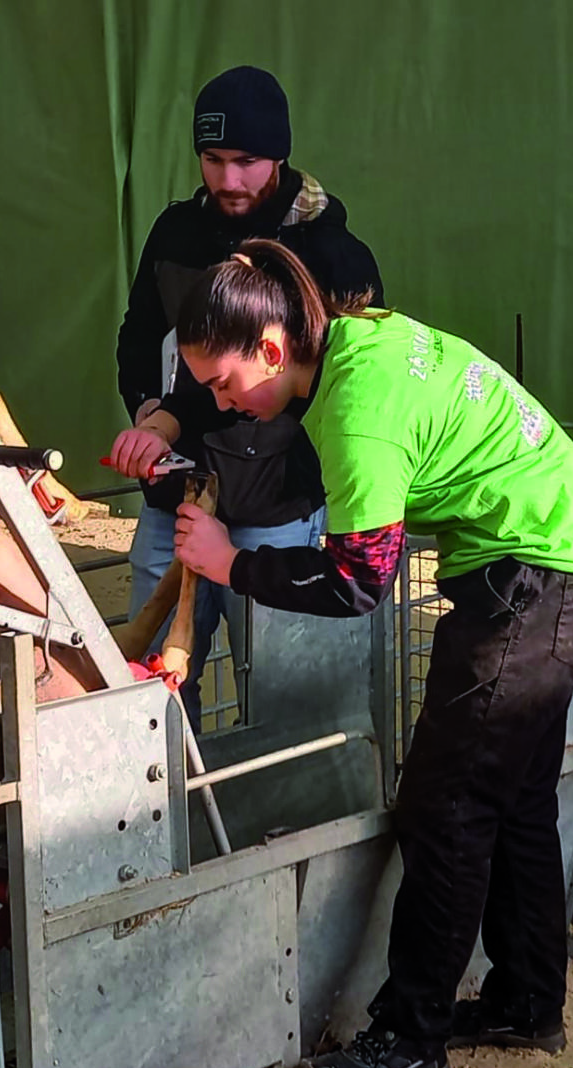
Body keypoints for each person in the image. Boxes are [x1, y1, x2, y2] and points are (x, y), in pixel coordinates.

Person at [158, 238, 573, 1068]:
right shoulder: (360, 339)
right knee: (512, 792)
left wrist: (232, 564)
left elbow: (359, 581)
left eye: (223, 383)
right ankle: (527, 1000)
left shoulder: (356, 406)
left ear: (271, 348)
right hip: (564, 561)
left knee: (444, 807)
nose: (221, 401)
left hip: (534, 578)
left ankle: (409, 1037)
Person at [113, 64, 383, 730]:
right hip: (175, 502)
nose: (228, 180)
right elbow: (140, 338)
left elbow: (331, 391)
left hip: (279, 506)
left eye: (247, 161)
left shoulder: (334, 257)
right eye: (212, 160)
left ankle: (280, 828)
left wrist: (174, 418)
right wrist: (149, 410)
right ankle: (173, 828)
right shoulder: (174, 235)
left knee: (288, 692)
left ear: (281, 155)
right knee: (150, 689)